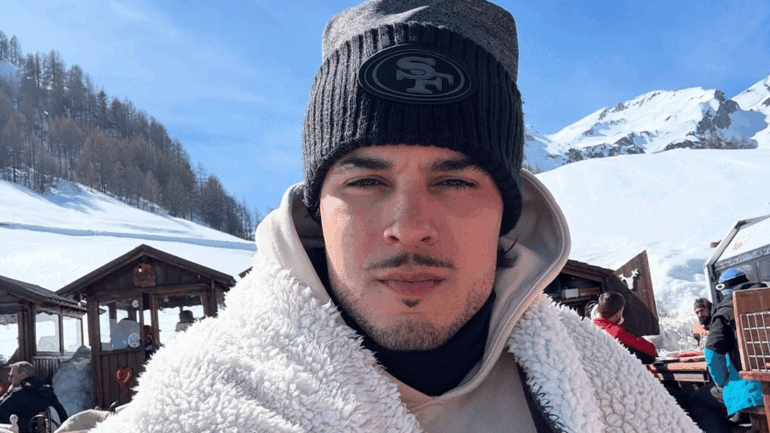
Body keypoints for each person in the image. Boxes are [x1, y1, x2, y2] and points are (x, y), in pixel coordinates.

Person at [68, 1, 699, 431]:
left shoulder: (603, 385)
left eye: (455, 180)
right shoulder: (200, 406)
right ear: (318, 210)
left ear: (508, 212)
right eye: (367, 181)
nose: (409, 224)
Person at [701, 268, 766, 425]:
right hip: (767, 378)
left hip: (753, 388)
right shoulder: (766, 297)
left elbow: (712, 354)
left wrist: (724, 383)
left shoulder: (727, 310)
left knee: (699, 399)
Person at [592, 291, 659, 364]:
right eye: (621, 311)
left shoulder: (593, 324)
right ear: (617, 315)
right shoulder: (617, 333)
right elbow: (651, 350)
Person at [0, 362, 68, 433]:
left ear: (23, 375)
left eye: (12, 376)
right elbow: (63, 416)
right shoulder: (47, 392)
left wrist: (7, 393)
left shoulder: (19, 393)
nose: (9, 379)